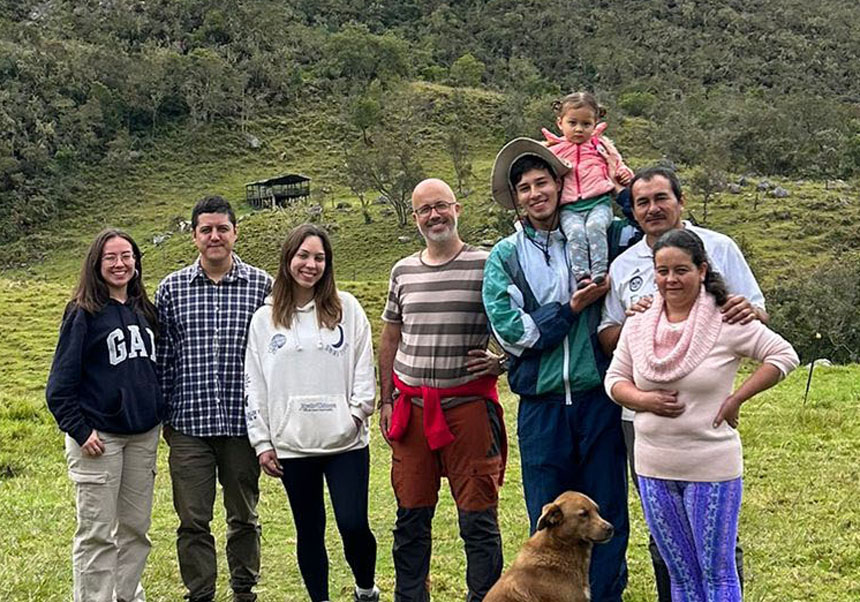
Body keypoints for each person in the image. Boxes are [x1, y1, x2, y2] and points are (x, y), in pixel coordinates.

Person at [597, 165, 765, 601]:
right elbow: (608, 334)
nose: (652, 209)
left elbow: (757, 317)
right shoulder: (625, 264)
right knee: (666, 534)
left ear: (680, 200)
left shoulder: (719, 247)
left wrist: (732, 324)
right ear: (632, 211)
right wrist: (644, 326)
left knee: (717, 541)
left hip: (705, 417)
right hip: (643, 422)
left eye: (660, 199)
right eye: (642, 202)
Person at [604, 228, 798, 601]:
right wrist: (644, 400)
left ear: (702, 271)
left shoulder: (726, 319)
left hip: (710, 466)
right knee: (680, 574)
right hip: (653, 466)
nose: (671, 280)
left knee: (716, 573)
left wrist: (736, 398)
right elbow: (615, 379)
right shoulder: (640, 322)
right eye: (662, 271)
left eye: (681, 270)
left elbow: (783, 355)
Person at [483, 138, 629, 601]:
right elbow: (513, 334)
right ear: (516, 199)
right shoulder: (504, 257)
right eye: (523, 187)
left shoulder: (595, 236)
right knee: (550, 519)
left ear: (559, 184)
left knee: (607, 516)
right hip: (541, 407)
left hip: (596, 397)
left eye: (541, 182)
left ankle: (605, 596)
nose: (534, 193)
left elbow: (643, 232)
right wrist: (569, 309)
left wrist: (619, 184)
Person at [379, 178, 506, 602]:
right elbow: (391, 339)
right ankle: (411, 597)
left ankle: (484, 597)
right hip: (412, 410)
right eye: (424, 210)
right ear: (414, 218)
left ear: (457, 209)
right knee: (411, 517)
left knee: (478, 515)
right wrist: (385, 400)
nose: (434, 215)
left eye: (441, 206)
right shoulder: (402, 270)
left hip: (468, 408)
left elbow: (512, 323)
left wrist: (502, 361)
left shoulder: (487, 264)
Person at [244, 224, 380, 602]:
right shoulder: (264, 318)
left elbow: (362, 365)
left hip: (345, 442)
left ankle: (365, 589)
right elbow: (254, 382)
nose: (311, 264)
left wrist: (357, 414)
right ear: (288, 259)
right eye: (303, 255)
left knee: (353, 524)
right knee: (309, 529)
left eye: (319, 257)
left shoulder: (347, 308)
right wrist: (262, 442)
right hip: (293, 443)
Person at [155, 196, 272, 602]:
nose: (215, 236)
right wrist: (167, 418)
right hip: (188, 427)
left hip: (243, 426)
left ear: (235, 232)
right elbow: (164, 358)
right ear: (194, 237)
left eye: (222, 228)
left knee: (244, 516)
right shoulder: (171, 289)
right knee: (192, 520)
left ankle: (244, 590)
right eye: (206, 229)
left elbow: (272, 355)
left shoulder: (262, 285)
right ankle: (200, 593)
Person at [46, 228, 162, 602]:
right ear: (96, 264)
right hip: (99, 440)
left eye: (126, 256)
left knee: (135, 529)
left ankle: (127, 595)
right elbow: (59, 386)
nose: (120, 264)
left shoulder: (144, 311)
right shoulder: (82, 313)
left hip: (142, 437)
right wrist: (80, 431)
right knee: (97, 532)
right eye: (110, 257)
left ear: (137, 263)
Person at [541, 91, 634, 289]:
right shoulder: (554, 150)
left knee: (595, 227)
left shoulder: (600, 146)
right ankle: (581, 274)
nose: (579, 129)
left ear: (594, 124)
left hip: (598, 202)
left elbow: (617, 164)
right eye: (572, 123)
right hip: (569, 207)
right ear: (560, 123)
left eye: (586, 124)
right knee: (575, 233)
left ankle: (600, 270)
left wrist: (624, 173)